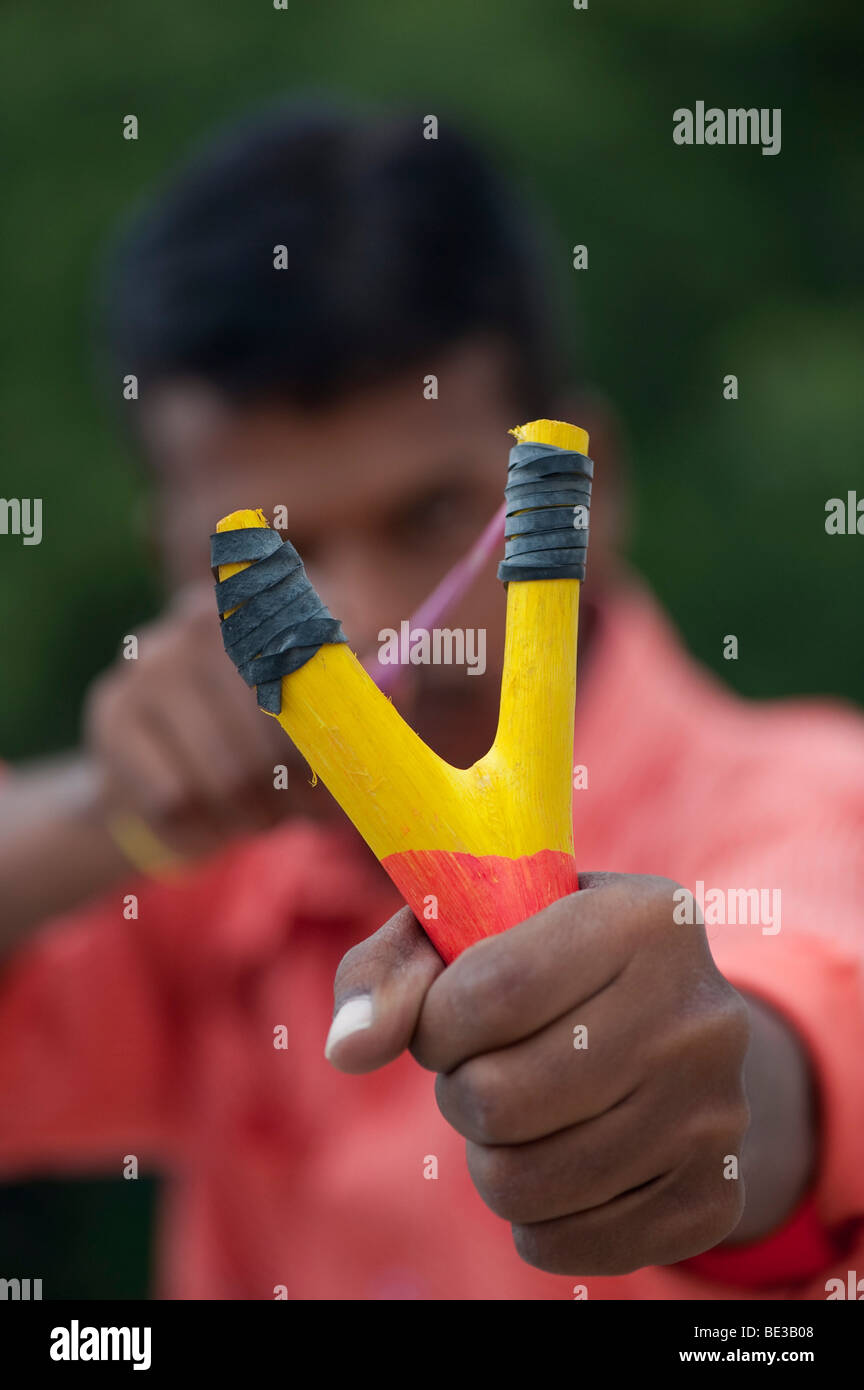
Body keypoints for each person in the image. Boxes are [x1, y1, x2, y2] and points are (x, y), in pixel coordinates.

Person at [1, 99, 862, 1300]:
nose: (362, 629)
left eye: (432, 519)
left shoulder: (814, 802)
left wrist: (709, 1110)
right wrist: (122, 806)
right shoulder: (201, 882)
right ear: (172, 567)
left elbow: (802, 1055)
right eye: (272, 561)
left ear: (590, 488)